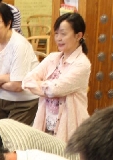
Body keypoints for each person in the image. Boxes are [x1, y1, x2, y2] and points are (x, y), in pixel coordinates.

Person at [22, 12, 90, 142]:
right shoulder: (53, 58)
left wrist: (41, 84)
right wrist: (47, 87)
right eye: (56, 33)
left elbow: (55, 89)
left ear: (78, 35)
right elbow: (27, 81)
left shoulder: (82, 64)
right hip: (46, 122)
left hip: (70, 126)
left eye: (63, 34)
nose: (58, 38)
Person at [0, 2, 39, 124]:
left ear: (8, 23)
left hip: (25, 102)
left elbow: (17, 86)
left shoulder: (19, 45)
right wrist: (6, 78)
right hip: (1, 98)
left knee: (10, 135)